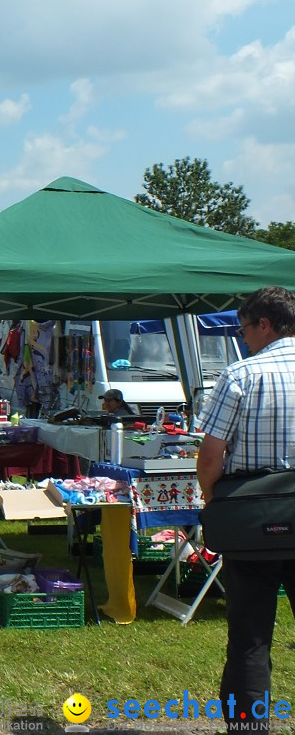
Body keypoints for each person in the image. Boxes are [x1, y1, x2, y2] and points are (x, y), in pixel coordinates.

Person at [196, 286, 295, 733]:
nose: (243, 338)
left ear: (265, 325)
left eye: (244, 329)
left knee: (250, 640)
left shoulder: (241, 374)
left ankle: (249, 729)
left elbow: (211, 454)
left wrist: (214, 501)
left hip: (252, 517)